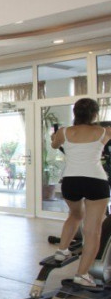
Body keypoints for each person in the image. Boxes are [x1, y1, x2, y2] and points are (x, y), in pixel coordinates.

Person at [50, 98, 111, 286]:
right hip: (96, 181)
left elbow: (54, 145)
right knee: (93, 231)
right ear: (95, 114)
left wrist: (56, 137)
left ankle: (62, 250)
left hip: (71, 181)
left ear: (75, 113)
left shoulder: (64, 132)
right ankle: (82, 274)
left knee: (75, 215)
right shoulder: (104, 131)